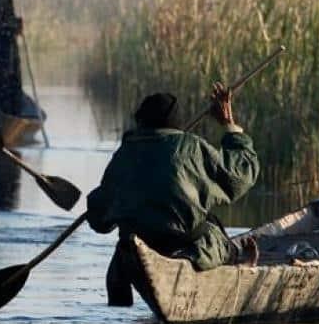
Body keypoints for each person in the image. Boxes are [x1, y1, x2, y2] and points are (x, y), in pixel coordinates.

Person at [87, 83, 259, 287]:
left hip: (133, 254)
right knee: (218, 237)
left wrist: (99, 206)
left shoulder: (124, 153)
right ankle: (239, 261)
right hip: (188, 249)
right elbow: (241, 173)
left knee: (127, 248)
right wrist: (229, 125)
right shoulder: (191, 147)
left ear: (141, 122)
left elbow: (100, 222)